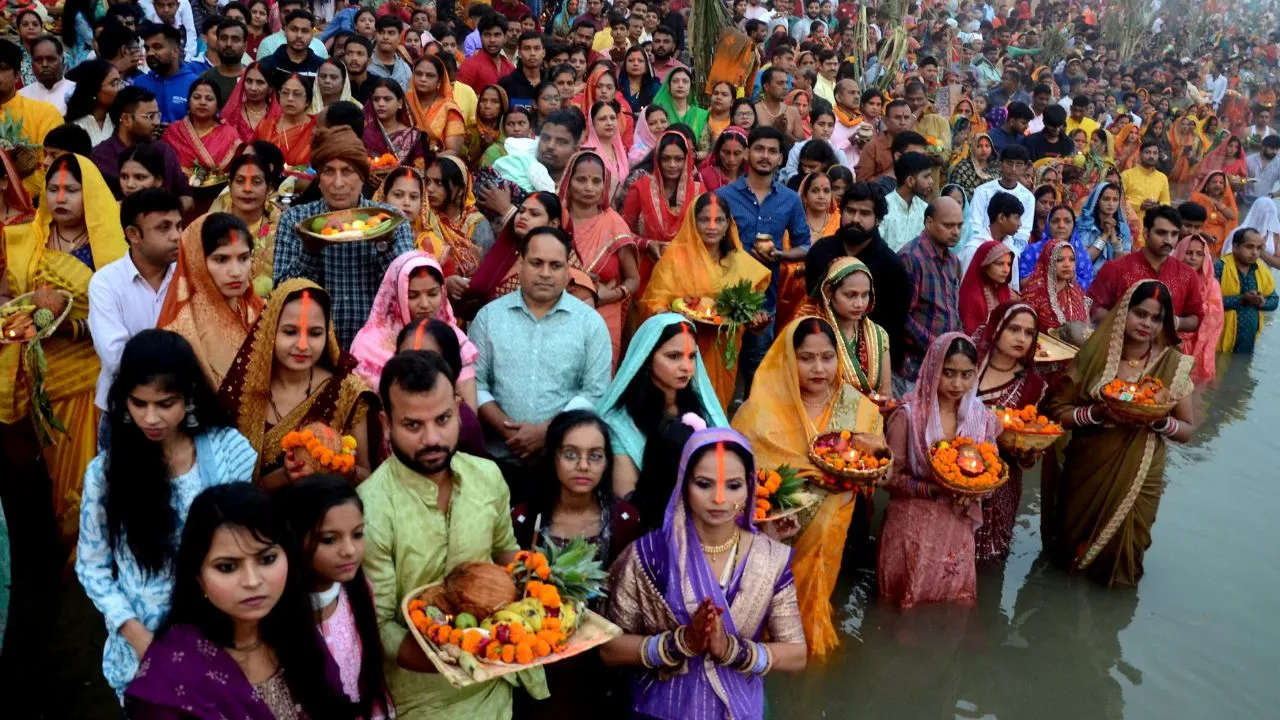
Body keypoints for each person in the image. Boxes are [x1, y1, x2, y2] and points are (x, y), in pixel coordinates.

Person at [359, 350, 546, 718]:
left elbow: (504, 551)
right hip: (424, 699)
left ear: (458, 407)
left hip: (502, 674)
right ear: (386, 423)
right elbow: (379, 626)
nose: (432, 438)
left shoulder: (487, 476)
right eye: (413, 425)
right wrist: (459, 656)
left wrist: (536, 583)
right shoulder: (370, 508)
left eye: (443, 419)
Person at [76, 329, 256, 700]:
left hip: (224, 635)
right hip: (144, 645)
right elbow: (92, 567)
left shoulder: (228, 452)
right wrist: (137, 635)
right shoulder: (106, 475)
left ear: (189, 397)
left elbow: (247, 544)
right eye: (138, 404)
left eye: (165, 403)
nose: (150, 417)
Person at [601, 427, 807, 716]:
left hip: (738, 709)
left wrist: (733, 651)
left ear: (750, 487)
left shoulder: (769, 559)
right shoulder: (650, 555)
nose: (719, 498)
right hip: (658, 710)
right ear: (683, 484)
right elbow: (609, 650)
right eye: (704, 484)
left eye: (733, 485)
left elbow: (797, 655)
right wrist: (680, 642)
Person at [123, 483, 357, 717]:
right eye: (227, 567)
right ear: (198, 576)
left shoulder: (296, 633)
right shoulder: (171, 679)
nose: (252, 581)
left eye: (267, 559)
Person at [731, 316, 882, 656]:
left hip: (828, 534)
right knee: (758, 618)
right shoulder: (758, 412)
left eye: (827, 357)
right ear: (788, 358)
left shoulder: (859, 411)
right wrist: (797, 477)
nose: (818, 368)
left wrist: (869, 468)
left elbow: (877, 468)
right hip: (770, 535)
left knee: (810, 610)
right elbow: (733, 478)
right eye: (806, 358)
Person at [1041, 279, 1197, 588]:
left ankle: (1112, 612)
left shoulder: (1172, 364)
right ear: (1123, 311)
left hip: (1141, 469)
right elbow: (1057, 412)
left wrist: (1156, 420)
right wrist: (1096, 414)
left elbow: (1187, 431)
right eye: (1140, 314)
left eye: (1157, 318)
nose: (1147, 324)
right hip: (1088, 463)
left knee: (1123, 559)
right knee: (1069, 553)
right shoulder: (1094, 356)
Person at [508, 409, 640, 717]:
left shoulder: (625, 522)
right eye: (571, 454)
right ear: (552, 457)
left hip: (604, 666)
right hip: (539, 660)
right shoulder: (526, 520)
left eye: (595, 456)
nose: (583, 466)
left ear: (608, 462)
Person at [469, 226, 612, 488]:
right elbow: (474, 384)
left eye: (555, 265)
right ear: (520, 264)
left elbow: (595, 391)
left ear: (567, 270)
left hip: (562, 465)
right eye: (537, 263)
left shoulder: (590, 324)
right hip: (497, 461)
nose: (545, 273)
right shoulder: (489, 318)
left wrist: (547, 432)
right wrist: (508, 431)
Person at [217, 279, 380, 486]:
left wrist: (346, 472)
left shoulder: (347, 391)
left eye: (315, 333)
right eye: (290, 332)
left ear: (327, 335)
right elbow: (224, 478)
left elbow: (368, 474)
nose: (303, 345)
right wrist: (284, 476)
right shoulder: (244, 390)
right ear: (270, 332)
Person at [879, 332, 1000, 608]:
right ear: (933, 369)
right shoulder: (908, 416)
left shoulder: (980, 416)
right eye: (949, 373)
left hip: (956, 526)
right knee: (902, 607)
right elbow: (889, 479)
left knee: (951, 607)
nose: (958, 384)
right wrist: (930, 488)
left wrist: (975, 492)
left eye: (967, 375)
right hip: (911, 527)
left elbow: (991, 469)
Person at [273, 126, 416, 347]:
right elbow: (282, 293)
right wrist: (310, 249)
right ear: (318, 179)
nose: (338, 183)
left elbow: (407, 289)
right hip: (314, 349)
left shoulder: (390, 219)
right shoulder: (296, 220)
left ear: (362, 176)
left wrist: (383, 242)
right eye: (329, 171)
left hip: (378, 349)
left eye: (347, 171)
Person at [274, 474, 393, 719]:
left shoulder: (359, 592)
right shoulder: (282, 614)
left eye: (357, 534)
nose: (349, 550)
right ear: (295, 538)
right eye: (329, 539)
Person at [717, 126, 811, 392]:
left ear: (781, 158)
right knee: (720, 369)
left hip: (764, 300)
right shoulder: (724, 197)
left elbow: (805, 245)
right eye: (759, 149)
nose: (765, 156)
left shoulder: (790, 200)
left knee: (757, 375)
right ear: (747, 152)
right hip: (724, 296)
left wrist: (780, 256)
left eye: (772, 151)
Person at [351, 251, 479, 407]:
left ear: (443, 292)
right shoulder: (368, 344)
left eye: (432, 294)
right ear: (396, 295)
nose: (424, 304)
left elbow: (469, 412)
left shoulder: (455, 340)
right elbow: (361, 413)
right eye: (412, 296)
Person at [971, 302, 1047, 561]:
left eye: (1029, 333)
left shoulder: (1033, 384)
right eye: (1014, 329)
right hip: (954, 471)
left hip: (1001, 482)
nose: (1021, 338)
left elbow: (1030, 444)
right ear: (997, 328)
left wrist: (1028, 451)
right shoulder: (969, 366)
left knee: (989, 561)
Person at [157, 212, 264, 388]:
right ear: (196, 261)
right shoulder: (180, 331)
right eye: (221, 259)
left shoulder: (257, 310)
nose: (236, 272)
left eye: (243, 258)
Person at [558, 150, 640, 366]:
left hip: (604, 312)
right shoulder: (556, 221)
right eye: (581, 180)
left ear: (605, 186)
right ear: (569, 181)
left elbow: (633, 279)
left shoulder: (614, 224)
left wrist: (609, 295)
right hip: (557, 310)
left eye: (596, 181)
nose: (589, 187)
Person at [1089, 205, 1204, 334]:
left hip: (1163, 350)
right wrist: (1127, 323)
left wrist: (1175, 322)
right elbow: (1093, 308)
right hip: (1119, 348)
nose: (1168, 240)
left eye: (1174, 234)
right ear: (1145, 233)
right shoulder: (1116, 268)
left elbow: (1196, 317)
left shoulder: (1187, 274)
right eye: (1161, 233)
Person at [897, 196, 965, 394]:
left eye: (959, 226)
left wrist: (956, 343)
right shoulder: (911, 258)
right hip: (915, 366)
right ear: (929, 223)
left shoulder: (953, 260)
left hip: (945, 364)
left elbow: (953, 310)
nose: (956, 232)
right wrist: (936, 346)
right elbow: (902, 318)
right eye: (949, 225)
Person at [90, 86, 195, 204]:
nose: (156, 123)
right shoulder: (100, 159)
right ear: (126, 119)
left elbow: (186, 195)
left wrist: (168, 213)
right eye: (150, 116)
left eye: (157, 115)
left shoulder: (164, 151)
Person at [622, 130, 703, 268]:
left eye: (678, 159)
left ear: (687, 159)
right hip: (647, 268)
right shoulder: (640, 189)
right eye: (666, 159)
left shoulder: (698, 191)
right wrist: (647, 244)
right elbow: (622, 232)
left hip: (689, 269)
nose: (672, 165)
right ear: (657, 159)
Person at [819, 257, 893, 398]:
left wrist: (880, 403)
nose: (859, 304)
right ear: (828, 292)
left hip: (870, 416)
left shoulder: (878, 335)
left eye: (865, 295)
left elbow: (886, 393)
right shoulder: (814, 332)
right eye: (851, 295)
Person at [214, 152, 283, 297]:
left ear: (269, 189)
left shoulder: (282, 228)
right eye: (240, 181)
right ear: (229, 185)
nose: (247, 189)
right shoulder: (211, 226)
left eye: (256, 182)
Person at [968, 144, 1035, 269]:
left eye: (1019, 164)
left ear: (1025, 167)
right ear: (1000, 163)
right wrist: (989, 249)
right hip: (981, 248)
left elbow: (1023, 232)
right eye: (1009, 163)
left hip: (1010, 255)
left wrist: (1007, 252)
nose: (1013, 169)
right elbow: (975, 225)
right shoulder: (983, 191)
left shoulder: (1028, 198)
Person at [160, 78, 243, 177]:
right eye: (196, 97)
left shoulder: (230, 135)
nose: (202, 102)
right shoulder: (174, 132)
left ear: (217, 105)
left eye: (209, 99)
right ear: (188, 102)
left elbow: (236, 172)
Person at [1216, 227, 1278, 354]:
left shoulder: (1262, 271)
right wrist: (1242, 299)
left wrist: (1261, 302)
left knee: (1242, 369)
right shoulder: (1220, 268)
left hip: (1248, 340)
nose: (1255, 252)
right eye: (1249, 247)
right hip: (1218, 338)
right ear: (1235, 247)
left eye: (1259, 248)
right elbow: (1208, 303)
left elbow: (1274, 300)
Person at [1171, 234, 1223, 385]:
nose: (1193, 258)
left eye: (1199, 254)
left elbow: (1215, 320)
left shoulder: (1212, 285)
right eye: (1188, 253)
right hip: (1169, 342)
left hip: (1197, 344)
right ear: (1180, 253)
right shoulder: (1169, 278)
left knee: (1191, 394)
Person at [133, 23, 202, 124]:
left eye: (157, 47)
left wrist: (173, 132)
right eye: (147, 49)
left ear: (175, 51)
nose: (150, 53)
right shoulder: (139, 83)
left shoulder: (195, 84)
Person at [363, 77, 432, 177]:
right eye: (376, 99)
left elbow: (419, 172)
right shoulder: (365, 133)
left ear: (400, 103)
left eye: (387, 99)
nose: (381, 104)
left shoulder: (412, 136)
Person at [1021, 238, 1092, 334]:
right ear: (1048, 261)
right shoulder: (1034, 292)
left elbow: (1088, 332)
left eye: (1071, 260)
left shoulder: (1078, 293)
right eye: (1060, 260)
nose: (1067, 265)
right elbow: (1025, 329)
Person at [406, 54, 467, 155]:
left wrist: (426, 161)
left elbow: (453, 151)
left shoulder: (449, 109)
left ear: (439, 80)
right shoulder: (404, 104)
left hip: (438, 165)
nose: (423, 79)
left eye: (430, 75)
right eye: (418, 74)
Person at [255, 72, 317, 169]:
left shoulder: (316, 129)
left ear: (308, 101)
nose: (290, 98)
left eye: (296, 94)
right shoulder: (265, 126)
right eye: (285, 93)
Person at [881, 152, 934, 252]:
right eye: (926, 177)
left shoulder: (924, 208)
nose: (931, 181)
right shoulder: (884, 207)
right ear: (910, 180)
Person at [1077, 181, 1133, 273]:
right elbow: (1085, 260)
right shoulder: (1085, 224)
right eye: (1106, 199)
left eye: (1115, 200)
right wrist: (1105, 235)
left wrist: (1113, 236)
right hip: (1088, 278)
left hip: (1114, 278)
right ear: (1097, 200)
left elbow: (1123, 262)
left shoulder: (1123, 227)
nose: (1111, 204)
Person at [64, 59, 121, 147]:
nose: (120, 88)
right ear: (94, 89)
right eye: (113, 83)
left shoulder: (121, 120)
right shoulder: (74, 128)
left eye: (119, 82)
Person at [222, 62, 280, 143]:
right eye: (249, 81)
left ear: (270, 88)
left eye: (260, 82)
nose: (253, 88)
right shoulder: (232, 114)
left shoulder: (278, 116)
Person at [1121, 140, 1172, 229]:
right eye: (1148, 152)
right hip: (1129, 226)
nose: (1151, 156)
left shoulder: (1162, 178)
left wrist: (1158, 206)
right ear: (1140, 155)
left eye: (1155, 153)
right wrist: (1139, 205)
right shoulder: (1126, 175)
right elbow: (1118, 202)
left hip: (1152, 227)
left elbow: (1167, 204)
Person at [456, 13, 514, 91]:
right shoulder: (469, 66)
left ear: (505, 37)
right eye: (487, 35)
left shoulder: (510, 68)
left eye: (497, 35)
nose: (492, 40)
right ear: (480, 37)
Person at [18, 35, 74, 115]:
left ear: (62, 61)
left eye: (51, 59)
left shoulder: (75, 93)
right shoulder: (21, 96)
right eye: (39, 60)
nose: (44, 64)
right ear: (32, 65)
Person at [1188, 170, 1239, 257]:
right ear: (1207, 185)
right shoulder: (1198, 198)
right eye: (1214, 182)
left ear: (1224, 187)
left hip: (1221, 247)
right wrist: (1203, 234)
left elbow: (1232, 217)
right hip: (1200, 242)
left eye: (1221, 183)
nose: (1218, 185)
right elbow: (1189, 222)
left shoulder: (1226, 203)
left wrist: (1217, 204)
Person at [652, 67, 709, 143]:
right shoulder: (658, 114)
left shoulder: (701, 115)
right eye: (675, 81)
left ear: (690, 87)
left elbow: (705, 148)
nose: (680, 85)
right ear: (668, 87)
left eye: (685, 81)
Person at [202, 18, 249, 106]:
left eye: (235, 39)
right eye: (224, 38)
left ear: (245, 46)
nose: (228, 44)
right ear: (217, 43)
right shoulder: (204, 79)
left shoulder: (252, 80)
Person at [366, 15, 413, 89]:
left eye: (391, 33)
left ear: (399, 37)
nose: (385, 37)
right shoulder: (365, 65)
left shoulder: (405, 69)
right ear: (375, 35)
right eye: (381, 32)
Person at [698, 125, 748, 193]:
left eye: (737, 153)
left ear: (746, 153)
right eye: (726, 152)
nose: (731, 159)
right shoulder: (705, 176)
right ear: (718, 151)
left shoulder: (750, 178)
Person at [947, 132, 997, 197]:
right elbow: (955, 193)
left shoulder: (996, 167)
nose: (984, 150)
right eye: (979, 146)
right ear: (972, 148)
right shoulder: (962, 167)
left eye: (987, 146)